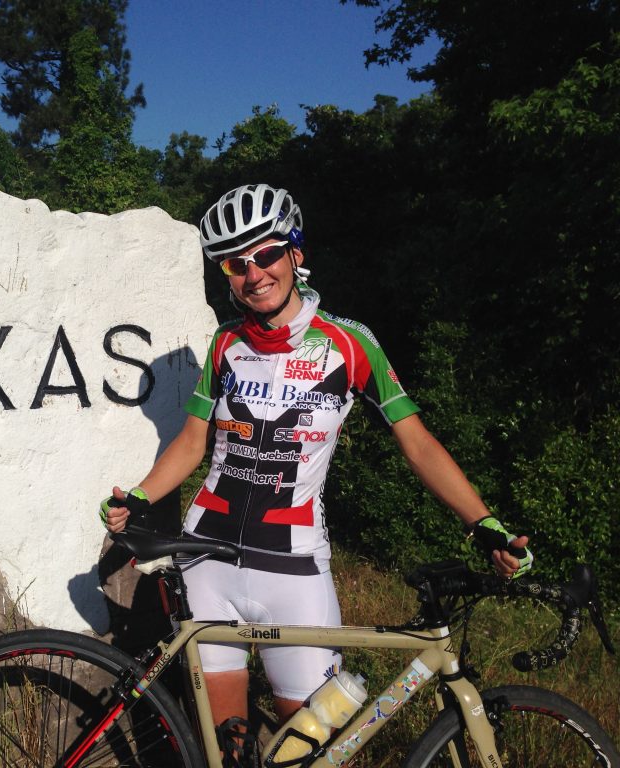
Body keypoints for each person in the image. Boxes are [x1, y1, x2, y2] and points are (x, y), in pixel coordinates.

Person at [101, 184, 533, 744]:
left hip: (295, 569)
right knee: (225, 744)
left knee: (310, 747)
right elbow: (190, 442)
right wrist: (137, 496)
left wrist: (484, 523)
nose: (253, 273)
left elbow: (418, 443)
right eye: (236, 263)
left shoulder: (349, 344)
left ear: (295, 255)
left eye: (266, 254)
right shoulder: (224, 344)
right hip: (207, 560)